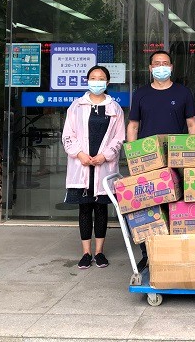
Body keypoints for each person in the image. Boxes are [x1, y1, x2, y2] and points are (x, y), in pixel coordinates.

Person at [126, 50, 195, 269]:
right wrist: (133, 157)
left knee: (175, 205)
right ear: (150, 68)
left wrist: (194, 154)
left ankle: (173, 251)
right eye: (156, 64)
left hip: (175, 159)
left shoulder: (183, 92)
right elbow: (133, 126)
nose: (161, 67)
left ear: (171, 67)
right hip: (147, 159)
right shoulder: (141, 94)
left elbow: (192, 124)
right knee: (148, 207)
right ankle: (148, 253)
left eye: (165, 63)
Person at [62, 65, 125, 269]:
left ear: (107, 82)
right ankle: (86, 253)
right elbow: (68, 134)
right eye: (93, 78)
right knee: (84, 208)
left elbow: (119, 137)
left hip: (102, 165)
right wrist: (79, 154)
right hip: (82, 164)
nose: (96, 82)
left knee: (100, 209)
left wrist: (104, 156)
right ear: (87, 81)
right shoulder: (76, 106)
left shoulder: (115, 108)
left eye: (101, 78)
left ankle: (99, 252)